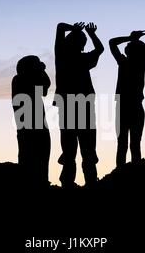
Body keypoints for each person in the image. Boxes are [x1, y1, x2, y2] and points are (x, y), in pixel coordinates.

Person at [54, 22, 104, 188]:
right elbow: (100, 49)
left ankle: (69, 182)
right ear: (82, 45)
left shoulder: (61, 56)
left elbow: (60, 27)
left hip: (70, 105)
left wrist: (75, 29)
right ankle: (88, 181)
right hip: (82, 105)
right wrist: (91, 33)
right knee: (86, 148)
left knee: (71, 149)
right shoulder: (81, 58)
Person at [109, 30, 145, 166]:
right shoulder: (139, 63)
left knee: (123, 145)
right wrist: (134, 39)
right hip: (134, 106)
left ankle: (123, 172)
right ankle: (132, 172)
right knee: (134, 144)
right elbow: (112, 43)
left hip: (125, 106)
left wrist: (131, 38)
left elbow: (112, 42)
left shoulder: (125, 63)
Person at [12, 55, 51, 187]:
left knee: (42, 160)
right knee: (29, 160)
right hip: (29, 128)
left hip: (37, 126)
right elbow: (45, 86)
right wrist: (42, 70)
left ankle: (40, 183)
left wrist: (41, 71)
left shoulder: (26, 79)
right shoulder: (19, 79)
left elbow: (45, 88)